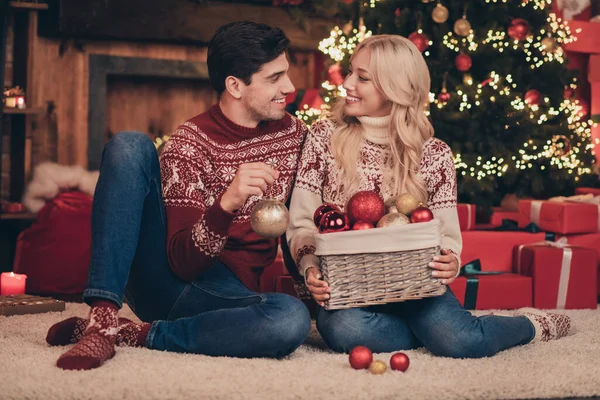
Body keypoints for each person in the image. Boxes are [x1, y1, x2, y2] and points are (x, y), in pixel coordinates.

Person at [286, 34, 571, 358]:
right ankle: (435, 335)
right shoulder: (324, 137)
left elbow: (445, 234)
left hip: (416, 287)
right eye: (351, 71)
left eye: (362, 77)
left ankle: (530, 325)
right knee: (344, 330)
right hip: (349, 292)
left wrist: (451, 258)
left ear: (395, 87)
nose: (347, 83)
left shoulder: (434, 154)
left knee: (465, 343)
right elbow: (301, 220)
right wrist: (310, 269)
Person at [47, 21, 311, 370]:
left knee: (290, 317)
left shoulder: (294, 134)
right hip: (170, 280)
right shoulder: (190, 143)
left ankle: (137, 334)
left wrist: (309, 275)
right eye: (274, 78)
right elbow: (183, 262)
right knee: (129, 145)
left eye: (287, 74)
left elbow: (304, 213)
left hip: (230, 295)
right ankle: (102, 318)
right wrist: (227, 203)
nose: (289, 88)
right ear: (234, 85)